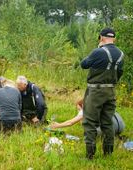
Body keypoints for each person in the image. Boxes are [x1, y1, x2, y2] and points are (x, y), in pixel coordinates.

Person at [80, 28, 124, 159]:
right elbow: (119, 73)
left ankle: (89, 156)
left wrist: (98, 48)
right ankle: (108, 154)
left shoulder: (98, 51)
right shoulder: (121, 54)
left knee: (89, 122)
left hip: (95, 91)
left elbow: (84, 64)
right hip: (111, 91)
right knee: (107, 122)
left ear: (101, 37)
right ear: (114, 39)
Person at [50, 99, 125, 136]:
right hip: (121, 126)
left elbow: (70, 122)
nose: (78, 111)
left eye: (78, 109)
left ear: (82, 105)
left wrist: (57, 125)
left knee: (88, 129)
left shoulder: (86, 109)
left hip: (112, 128)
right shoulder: (98, 104)